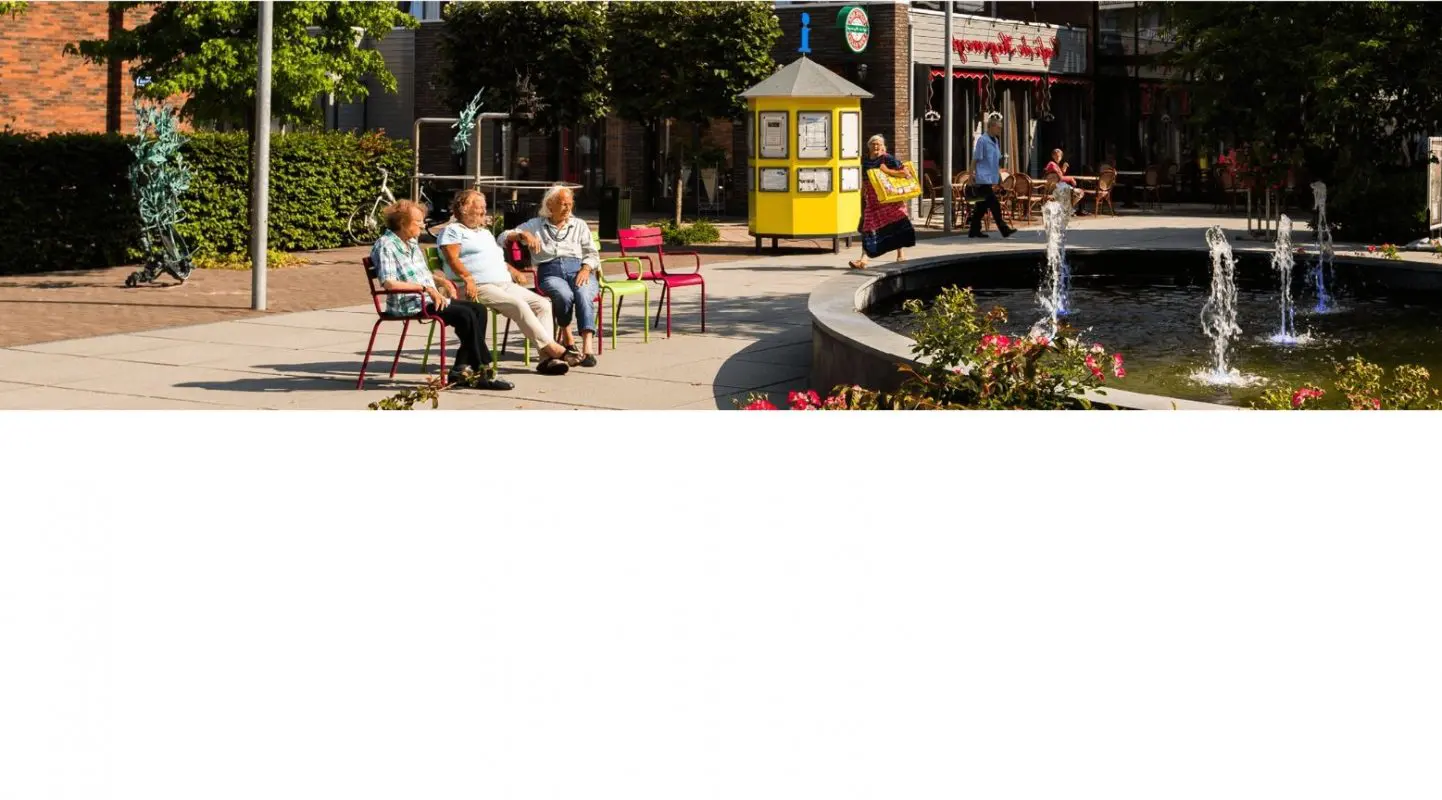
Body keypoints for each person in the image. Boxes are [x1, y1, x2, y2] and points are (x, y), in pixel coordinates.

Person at [370, 199, 512, 390]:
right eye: (418, 222)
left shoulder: (411, 242)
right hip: (410, 302)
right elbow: (389, 283)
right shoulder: (386, 245)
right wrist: (426, 289)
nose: (422, 225)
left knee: (478, 310)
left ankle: (460, 368)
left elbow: (423, 274)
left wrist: (441, 281)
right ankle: (483, 371)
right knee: (466, 314)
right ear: (403, 223)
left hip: (428, 298)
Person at [436, 190, 571, 376]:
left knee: (543, 304)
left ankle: (546, 359)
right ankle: (553, 348)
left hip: (503, 284)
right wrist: (467, 277)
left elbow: (493, 259)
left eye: (484, 207)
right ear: (464, 209)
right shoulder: (452, 231)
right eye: (480, 207)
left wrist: (512, 270)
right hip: (477, 286)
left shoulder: (483, 233)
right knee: (518, 305)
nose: (484, 211)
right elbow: (452, 258)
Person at [499, 185, 601, 367]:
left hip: (578, 268)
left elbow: (592, 253)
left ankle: (588, 349)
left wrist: (586, 268)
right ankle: (568, 339)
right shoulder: (535, 224)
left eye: (570, 204)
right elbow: (502, 237)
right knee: (564, 295)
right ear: (550, 204)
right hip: (549, 271)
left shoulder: (579, 225)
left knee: (584, 294)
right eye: (563, 204)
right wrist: (523, 235)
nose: (568, 208)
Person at [848, 134, 918, 270]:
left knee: (897, 225)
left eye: (878, 144)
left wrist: (887, 171)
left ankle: (900, 254)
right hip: (872, 201)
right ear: (868, 146)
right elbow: (864, 180)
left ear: (883, 146)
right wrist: (862, 196)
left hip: (890, 200)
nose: (876, 147)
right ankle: (863, 260)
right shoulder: (865, 161)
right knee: (867, 228)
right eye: (873, 144)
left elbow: (906, 173)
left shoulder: (887, 158)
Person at [968, 115, 1016, 239]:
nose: (1000, 131)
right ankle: (1004, 230)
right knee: (995, 204)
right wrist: (970, 176)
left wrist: (999, 177)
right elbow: (975, 159)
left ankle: (974, 230)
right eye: (998, 128)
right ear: (991, 127)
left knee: (981, 206)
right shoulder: (982, 140)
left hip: (991, 178)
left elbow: (995, 161)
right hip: (983, 178)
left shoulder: (996, 141)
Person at [1044, 148, 1088, 214]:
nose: (1058, 157)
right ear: (1053, 156)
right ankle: (1067, 209)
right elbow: (1060, 178)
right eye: (1057, 156)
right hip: (1055, 188)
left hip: (1055, 188)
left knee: (1075, 191)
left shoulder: (1053, 164)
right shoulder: (1052, 164)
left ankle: (1066, 208)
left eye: (1060, 156)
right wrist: (1071, 179)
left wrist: (1063, 169)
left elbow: (1058, 176)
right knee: (1079, 192)